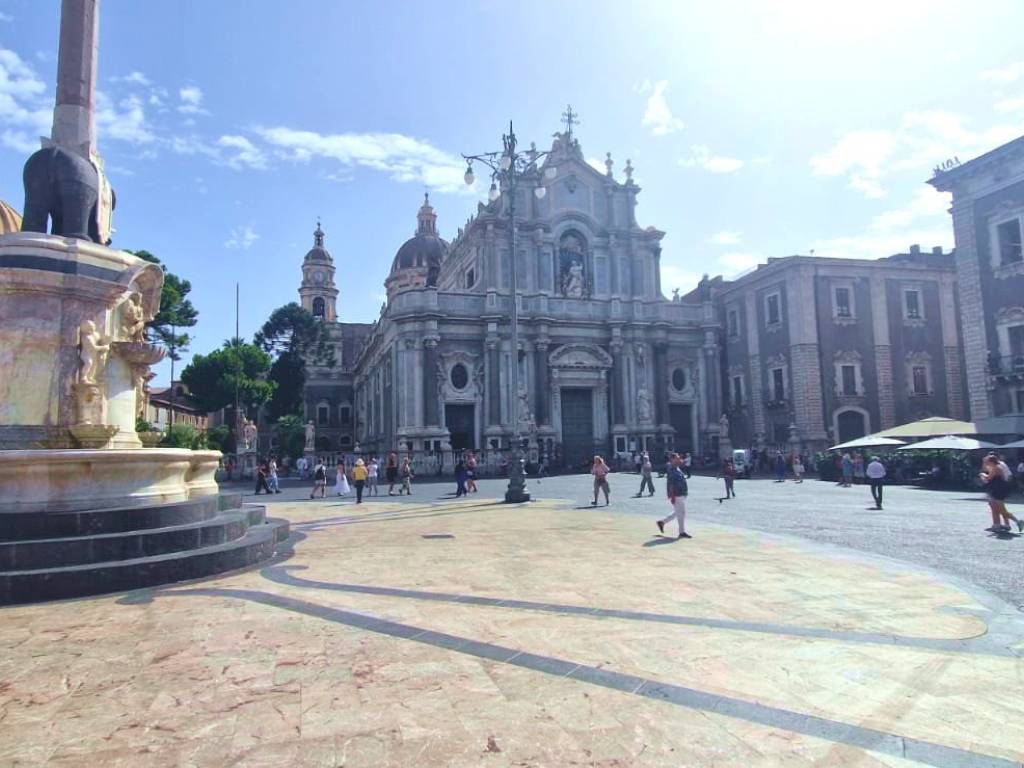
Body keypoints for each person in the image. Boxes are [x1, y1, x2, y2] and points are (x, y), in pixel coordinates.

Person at [980, 454, 1022, 533]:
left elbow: (989, 478)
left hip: (998, 491)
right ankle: (998, 525)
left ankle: (1018, 522)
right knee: (996, 507)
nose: (986, 463)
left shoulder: (996, 467)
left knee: (1002, 510)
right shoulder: (995, 467)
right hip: (997, 490)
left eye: (987, 461)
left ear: (991, 461)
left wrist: (982, 475)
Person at [657, 453, 691, 539]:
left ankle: (662, 522)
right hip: (676, 494)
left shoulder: (677, 468)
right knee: (681, 513)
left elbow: (682, 463)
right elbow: (671, 484)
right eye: (677, 458)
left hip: (681, 493)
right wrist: (672, 496)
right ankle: (682, 532)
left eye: (679, 458)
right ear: (672, 460)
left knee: (678, 512)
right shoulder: (672, 470)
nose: (679, 459)